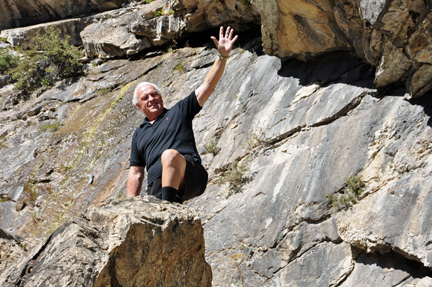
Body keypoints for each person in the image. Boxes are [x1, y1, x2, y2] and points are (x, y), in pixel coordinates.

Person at [126, 26, 238, 202]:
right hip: (157, 186)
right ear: (139, 107)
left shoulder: (179, 111)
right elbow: (136, 172)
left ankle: (167, 208)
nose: (151, 99)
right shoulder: (139, 134)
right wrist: (128, 206)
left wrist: (222, 56)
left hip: (190, 174)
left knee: (169, 155)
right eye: (145, 98)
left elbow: (207, 86)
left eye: (154, 94)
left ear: (161, 97)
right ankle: (168, 206)